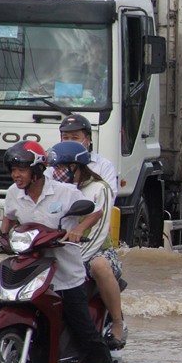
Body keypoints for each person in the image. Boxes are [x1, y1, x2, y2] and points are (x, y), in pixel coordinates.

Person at [0, 141, 113, 363]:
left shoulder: (64, 192)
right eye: (13, 170)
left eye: (21, 170)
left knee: (85, 333)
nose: (15, 175)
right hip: (32, 269)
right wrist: (3, 234)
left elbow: (94, 212)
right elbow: (9, 215)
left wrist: (78, 230)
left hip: (66, 274)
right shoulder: (13, 193)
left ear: (37, 171)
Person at [47, 141, 127, 349]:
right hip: (61, 251)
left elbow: (99, 232)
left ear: (75, 167)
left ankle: (118, 323)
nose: (55, 173)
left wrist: (76, 262)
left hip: (94, 252)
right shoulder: (56, 190)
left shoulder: (99, 189)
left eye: (60, 168)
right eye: (53, 168)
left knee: (99, 266)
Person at [47, 114, 118, 197]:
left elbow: (109, 196)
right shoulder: (54, 165)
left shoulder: (103, 165)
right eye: (65, 138)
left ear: (88, 140)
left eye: (75, 138)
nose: (70, 142)